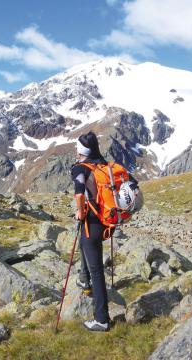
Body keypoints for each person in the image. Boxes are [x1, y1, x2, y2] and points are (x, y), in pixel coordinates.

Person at [70, 131, 111, 332]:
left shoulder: (80, 168)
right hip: (105, 220)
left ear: (80, 150)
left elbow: (79, 194)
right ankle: (83, 278)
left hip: (91, 222)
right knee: (86, 247)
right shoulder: (103, 165)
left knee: (98, 272)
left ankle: (102, 319)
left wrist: (80, 212)